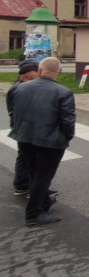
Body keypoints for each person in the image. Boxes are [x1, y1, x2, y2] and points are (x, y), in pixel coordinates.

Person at [10, 57, 75, 226]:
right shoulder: (63, 92)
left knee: (34, 173)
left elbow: (15, 113)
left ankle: (44, 202)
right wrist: (67, 137)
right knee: (43, 177)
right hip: (49, 142)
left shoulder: (20, 88)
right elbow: (68, 122)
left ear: (39, 70)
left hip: (24, 139)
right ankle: (33, 213)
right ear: (59, 71)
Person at [7, 60, 41, 196]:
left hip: (23, 126)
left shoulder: (21, 86)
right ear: (27, 74)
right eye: (36, 71)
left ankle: (25, 183)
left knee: (25, 156)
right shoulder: (19, 88)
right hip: (24, 127)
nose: (39, 73)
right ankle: (23, 184)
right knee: (25, 157)